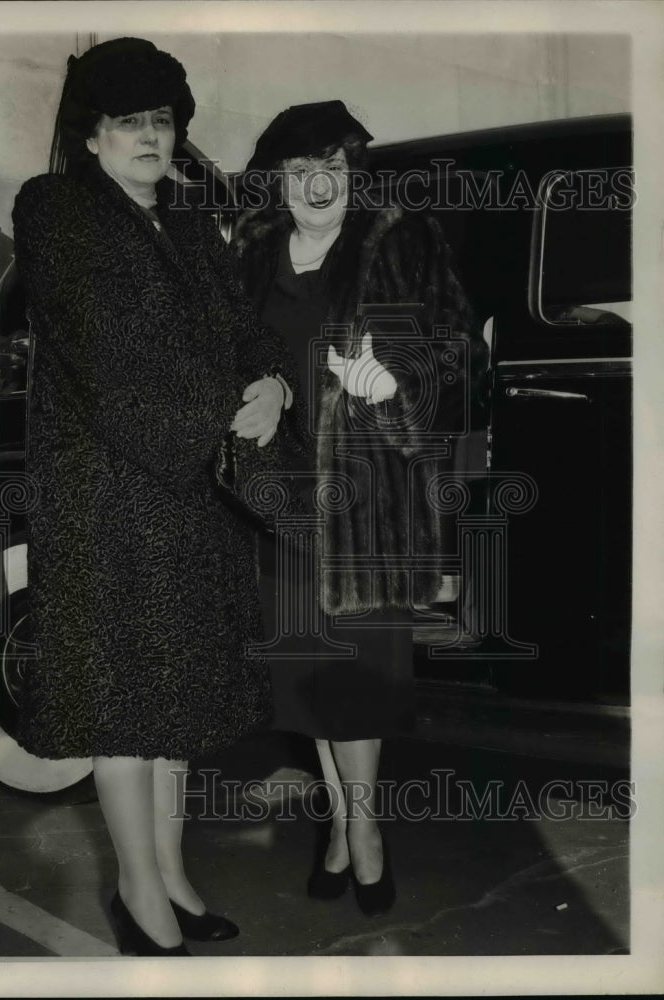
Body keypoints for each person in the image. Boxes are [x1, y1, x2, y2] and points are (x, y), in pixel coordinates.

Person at [11, 38, 295, 956]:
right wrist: (223, 416)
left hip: (189, 492)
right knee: (126, 706)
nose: (148, 137)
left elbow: (244, 332)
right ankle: (139, 895)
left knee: (178, 704)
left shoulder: (188, 221)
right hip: (109, 497)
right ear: (91, 136)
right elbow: (110, 356)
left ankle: (171, 877)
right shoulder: (54, 209)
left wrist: (273, 385)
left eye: (161, 121)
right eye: (127, 121)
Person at [235, 101, 487, 916]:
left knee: (357, 677)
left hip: (366, 499)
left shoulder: (398, 241)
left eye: (334, 168)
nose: (318, 185)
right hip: (275, 498)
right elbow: (229, 355)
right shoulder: (251, 253)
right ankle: (342, 827)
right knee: (303, 677)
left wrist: (395, 382)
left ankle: (364, 828)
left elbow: (461, 358)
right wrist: (260, 391)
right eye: (301, 169)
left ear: (353, 174)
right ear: (277, 179)